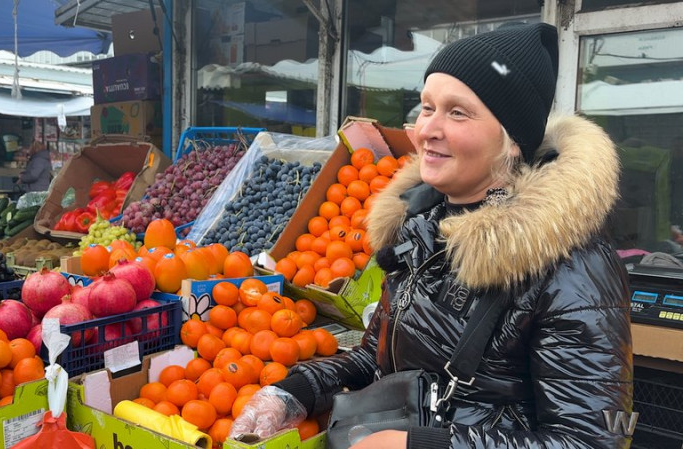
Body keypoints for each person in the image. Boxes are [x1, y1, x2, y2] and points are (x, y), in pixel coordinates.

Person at [231, 22, 634, 448]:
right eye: (426, 107)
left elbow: (591, 440)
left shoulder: (574, 265)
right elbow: (381, 357)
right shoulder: (421, 226)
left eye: (457, 112)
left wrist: (426, 445)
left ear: (513, 140)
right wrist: (296, 391)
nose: (426, 130)